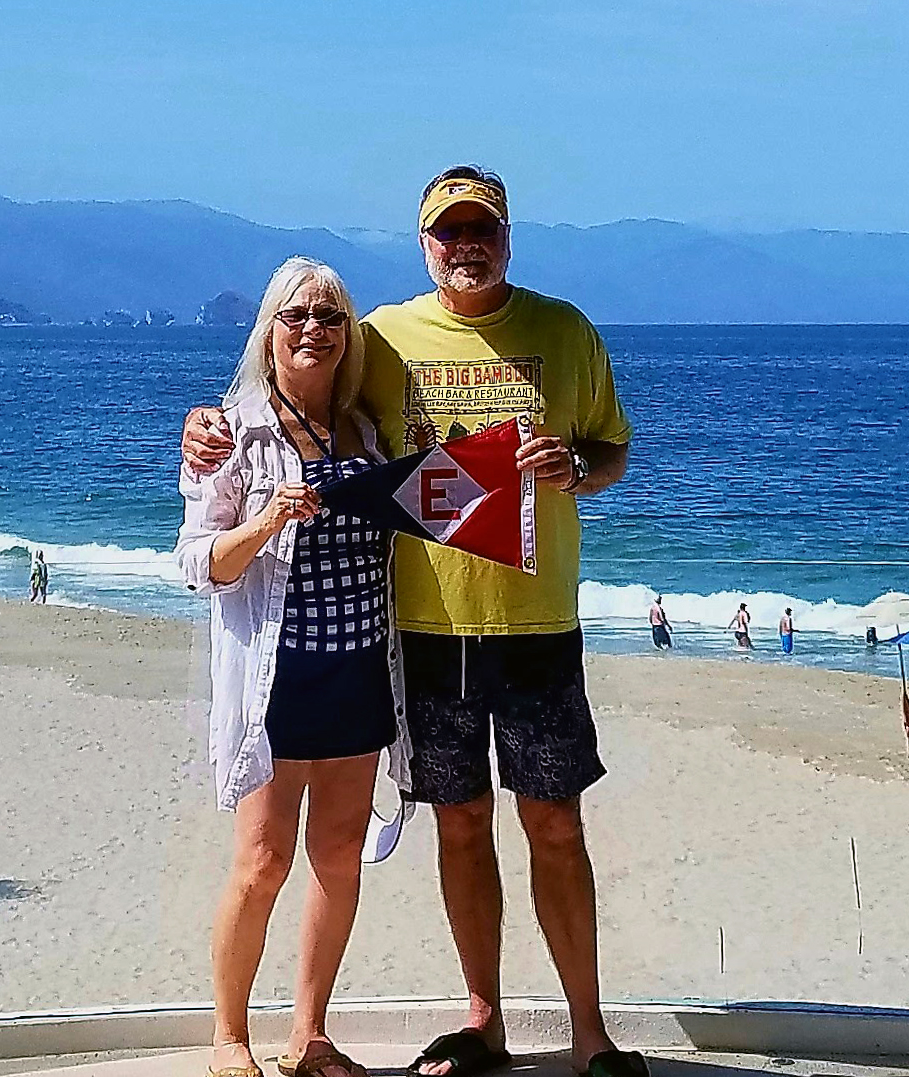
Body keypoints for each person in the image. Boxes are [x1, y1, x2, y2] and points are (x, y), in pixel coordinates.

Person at [183, 167, 643, 1077]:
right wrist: (205, 425)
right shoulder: (385, 335)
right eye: (447, 231)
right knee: (459, 823)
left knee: (555, 825)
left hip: (537, 622)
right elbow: (283, 410)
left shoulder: (565, 330)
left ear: (507, 237)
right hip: (424, 631)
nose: (465, 244)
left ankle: (590, 1034)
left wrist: (575, 470)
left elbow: (612, 453)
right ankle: (485, 1023)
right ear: (424, 242)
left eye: (481, 230)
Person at [176, 256, 412, 1077]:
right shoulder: (228, 432)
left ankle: (308, 1034)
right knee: (262, 861)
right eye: (295, 315)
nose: (312, 329)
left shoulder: (365, 426)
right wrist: (268, 519)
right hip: (274, 683)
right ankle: (228, 1034)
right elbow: (199, 562)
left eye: (328, 317)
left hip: (357, 673)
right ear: (268, 330)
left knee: (337, 857)